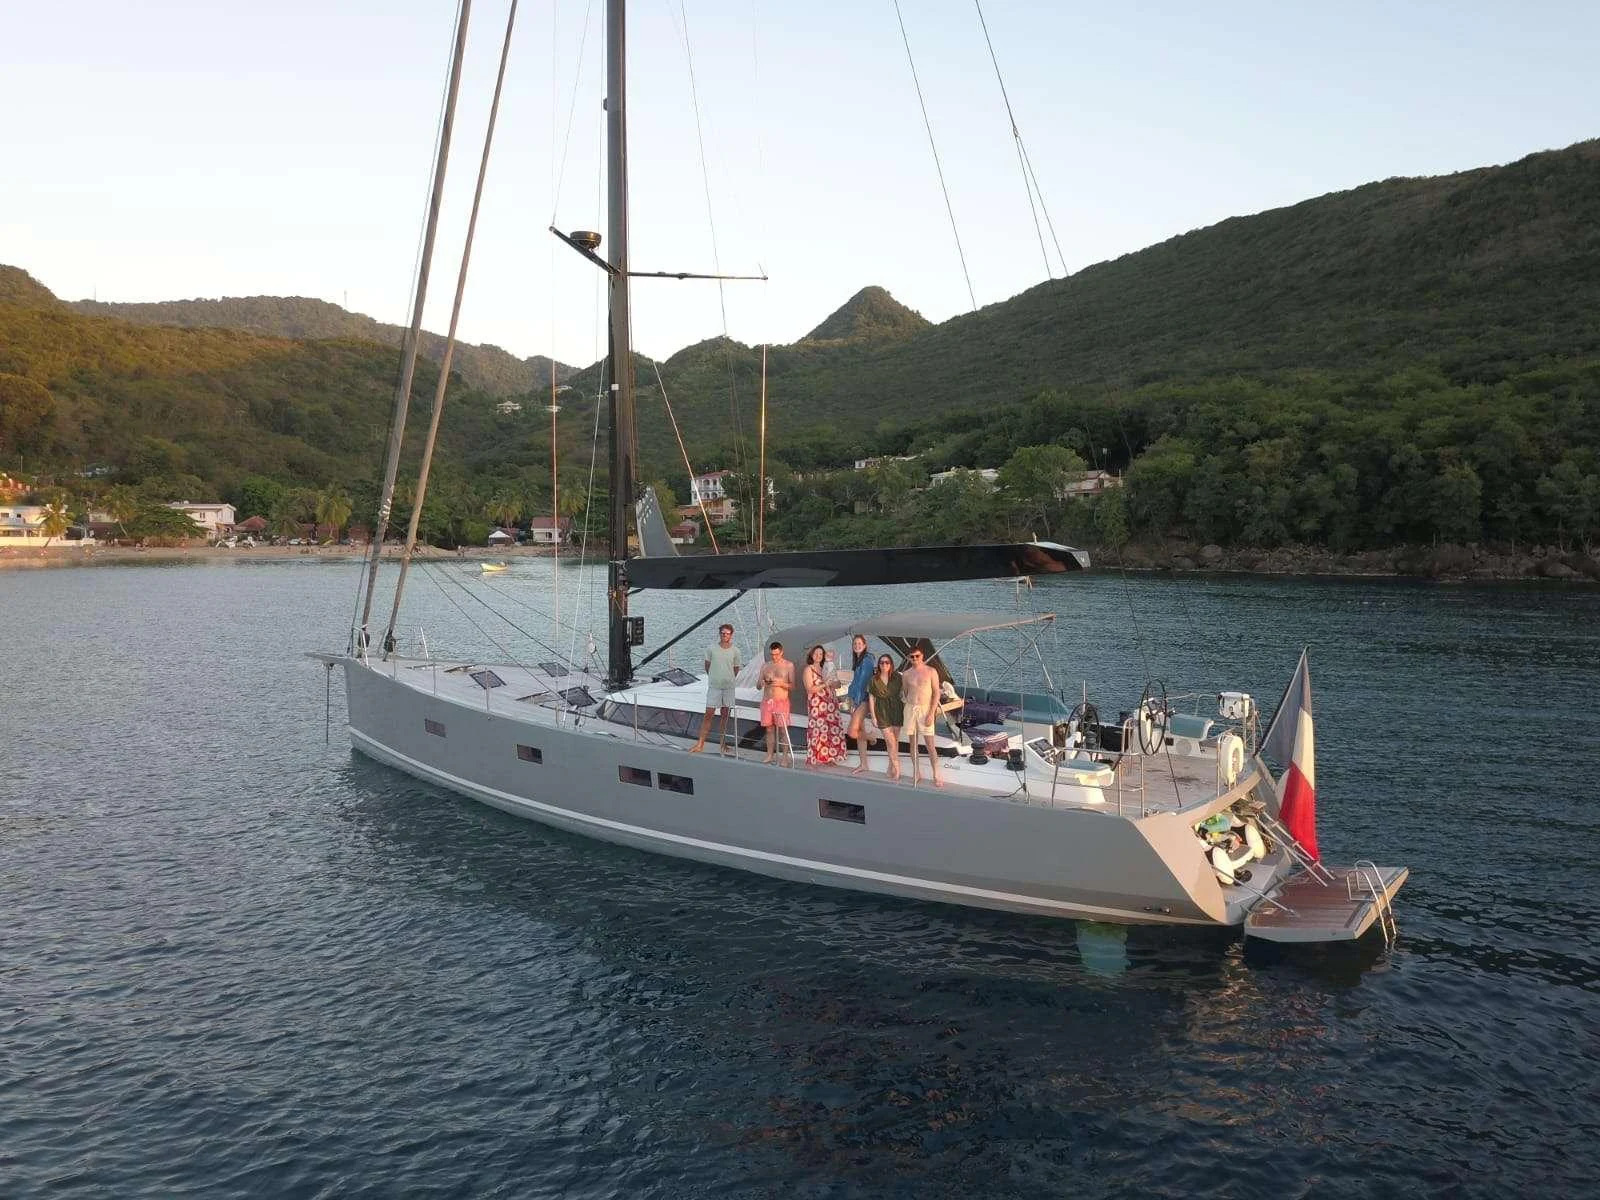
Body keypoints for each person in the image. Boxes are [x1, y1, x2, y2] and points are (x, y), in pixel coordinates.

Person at [690, 622, 742, 753]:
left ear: (731, 635)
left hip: (728, 687)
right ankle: (700, 744)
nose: (725, 636)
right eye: (723, 633)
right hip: (714, 687)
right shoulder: (711, 649)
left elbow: (736, 669)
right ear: (720, 634)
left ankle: (723, 743)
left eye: (727, 634)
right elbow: (707, 666)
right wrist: (715, 677)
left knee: (725, 716)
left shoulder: (736, 651)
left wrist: (728, 678)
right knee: (709, 715)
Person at [899, 645, 943, 788]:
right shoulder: (906, 674)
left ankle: (936, 773)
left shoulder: (931, 671)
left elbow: (936, 693)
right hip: (911, 709)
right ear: (908, 658)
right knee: (913, 744)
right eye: (912, 657)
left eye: (917, 656)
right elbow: (905, 693)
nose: (915, 659)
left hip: (925, 709)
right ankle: (916, 772)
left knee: (930, 744)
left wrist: (931, 713)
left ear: (922, 656)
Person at [802, 644, 848, 767]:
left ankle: (829, 758)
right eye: (816, 653)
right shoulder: (808, 669)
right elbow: (810, 689)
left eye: (821, 654)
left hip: (830, 703)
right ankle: (813, 759)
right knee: (816, 730)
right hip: (817, 704)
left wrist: (835, 682)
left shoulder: (827, 667)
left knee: (830, 731)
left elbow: (837, 685)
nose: (818, 656)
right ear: (812, 655)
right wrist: (825, 684)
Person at [866, 653, 904, 781]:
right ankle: (897, 768)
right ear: (879, 665)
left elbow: (908, 689)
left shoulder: (897, 677)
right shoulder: (874, 680)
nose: (884, 665)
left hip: (896, 710)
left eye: (887, 662)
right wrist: (873, 716)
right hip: (881, 712)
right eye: (881, 663)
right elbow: (871, 698)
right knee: (890, 741)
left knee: (895, 741)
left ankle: (890, 767)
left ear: (891, 664)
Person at [758, 641, 795, 764]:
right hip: (767, 701)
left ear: (781, 652)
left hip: (781, 701)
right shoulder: (765, 666)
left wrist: (781, 683)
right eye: (772, 654)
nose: (775, 657)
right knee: (769, 729)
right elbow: (758, 685)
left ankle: (785, 756)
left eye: (777, 654)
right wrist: (762, 683)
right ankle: (770, 755)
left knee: (783, 730)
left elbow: (793, 686)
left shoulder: (788, 665)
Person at [843, 634, 874, 774]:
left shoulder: (867, 660)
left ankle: (871, 738)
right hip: (856, 698)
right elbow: (854, 683)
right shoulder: (858, 660)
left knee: (852, 732)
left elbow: (863, 683)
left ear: (865, 644)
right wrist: (849, 698)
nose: (857, 645)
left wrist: (855, 702)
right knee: (859, 731)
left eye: (859, 643)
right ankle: (864, 764)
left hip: (862, 700)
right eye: (855, 643)